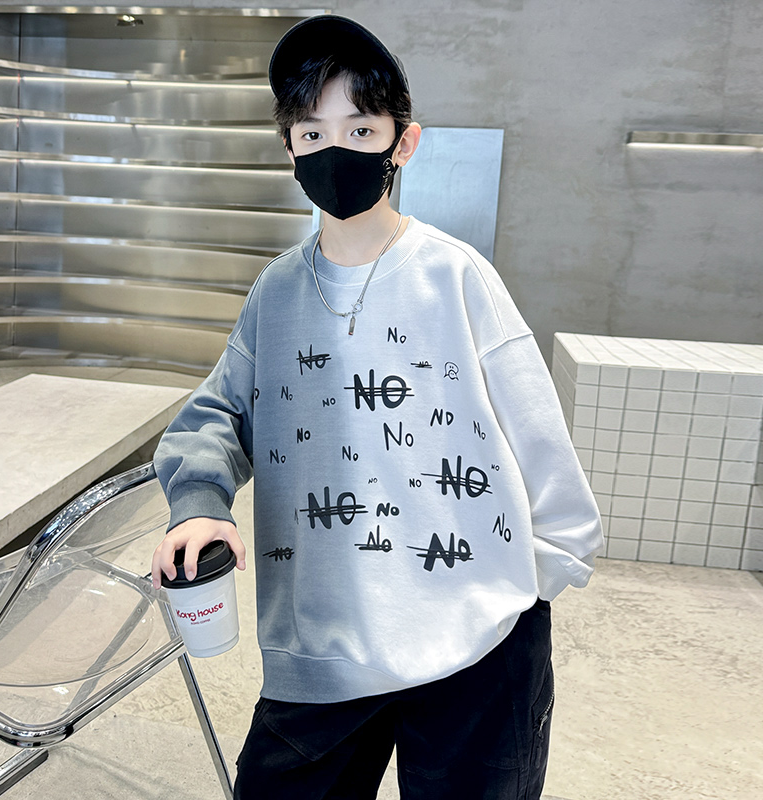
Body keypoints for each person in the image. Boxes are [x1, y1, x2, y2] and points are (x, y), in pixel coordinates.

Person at [151, 14, 603, 799]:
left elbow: (539, 440)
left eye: (360, 129)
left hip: (478, 643)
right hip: (322, 645)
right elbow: (215, 414)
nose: (336, 150)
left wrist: (525, 587)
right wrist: (199, 505)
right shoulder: (276, 293)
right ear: (289, 149)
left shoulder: (456, 277)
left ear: (404, 142)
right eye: (312, 132)